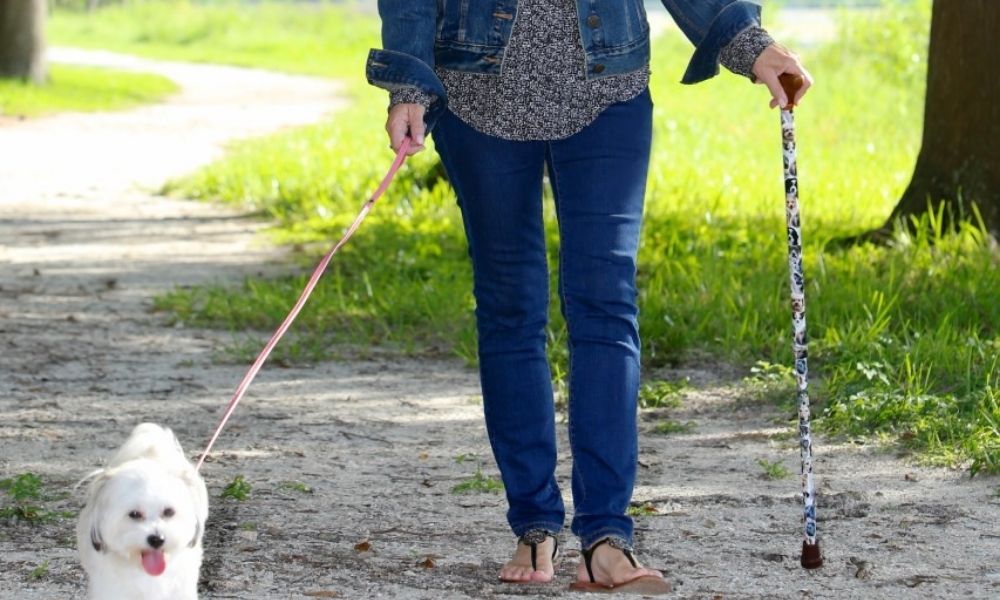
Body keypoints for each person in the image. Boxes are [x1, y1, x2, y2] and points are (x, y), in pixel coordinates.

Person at [367, 0, 811, 593]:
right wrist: (407, 83)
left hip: (608, 87)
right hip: (476, 93)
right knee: (510, 308)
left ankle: (606, 536)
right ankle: (534, 523)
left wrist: (750, 44)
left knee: (606, 303)